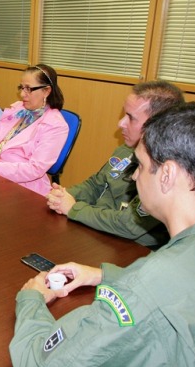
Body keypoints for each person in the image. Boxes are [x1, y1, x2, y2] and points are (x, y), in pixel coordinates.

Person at [10, 102, 195, 367]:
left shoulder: (144, 289)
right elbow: (185, 288)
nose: (133, 175)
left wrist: (30, 300)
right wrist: (103, 275)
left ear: (167, 175)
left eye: (142, 166)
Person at [46, 80, 184, 247]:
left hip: (129, 247)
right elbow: (96, 184)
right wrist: (63, 195)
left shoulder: (162, 172)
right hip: (96, 228)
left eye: (131, 118)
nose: (120, 123)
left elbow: (128, 225)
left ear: (157, 125)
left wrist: (74, 209)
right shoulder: (126, 150)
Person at [0, 64, 68, 197]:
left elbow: (35, 169)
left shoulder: (55, 125)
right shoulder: (18, 109)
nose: (22, 94)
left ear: (46, 91)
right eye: (21, 88)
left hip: (22, 186)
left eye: (29, 89)